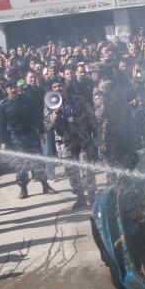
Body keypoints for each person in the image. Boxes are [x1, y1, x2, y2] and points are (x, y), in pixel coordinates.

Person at [0, 80, 57, 199]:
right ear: (6, 90)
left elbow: (36, 116)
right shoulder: (3, 105)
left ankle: (45, 185)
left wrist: (40, 132)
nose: (13, 90)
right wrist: (3, 141)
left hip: (30, 134)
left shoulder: (27, 100)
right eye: (10, 88)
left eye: (14, 87)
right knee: (21, 163)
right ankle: (23, 188)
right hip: (16, 136)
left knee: (37, 160)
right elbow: (1, 125)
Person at [44, 81, 97, 210]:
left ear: (65, 86)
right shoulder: (50, 104)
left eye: (60, 86)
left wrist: (96, 134)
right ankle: (80, 198)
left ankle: (92, 197)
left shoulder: (79, 99)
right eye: (54, 87)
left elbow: (91, 116)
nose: (58, 89)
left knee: (86, 170)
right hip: (65, 144)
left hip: (82, 140)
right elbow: (48, 125)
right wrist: (56, 112)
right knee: (72, 172)